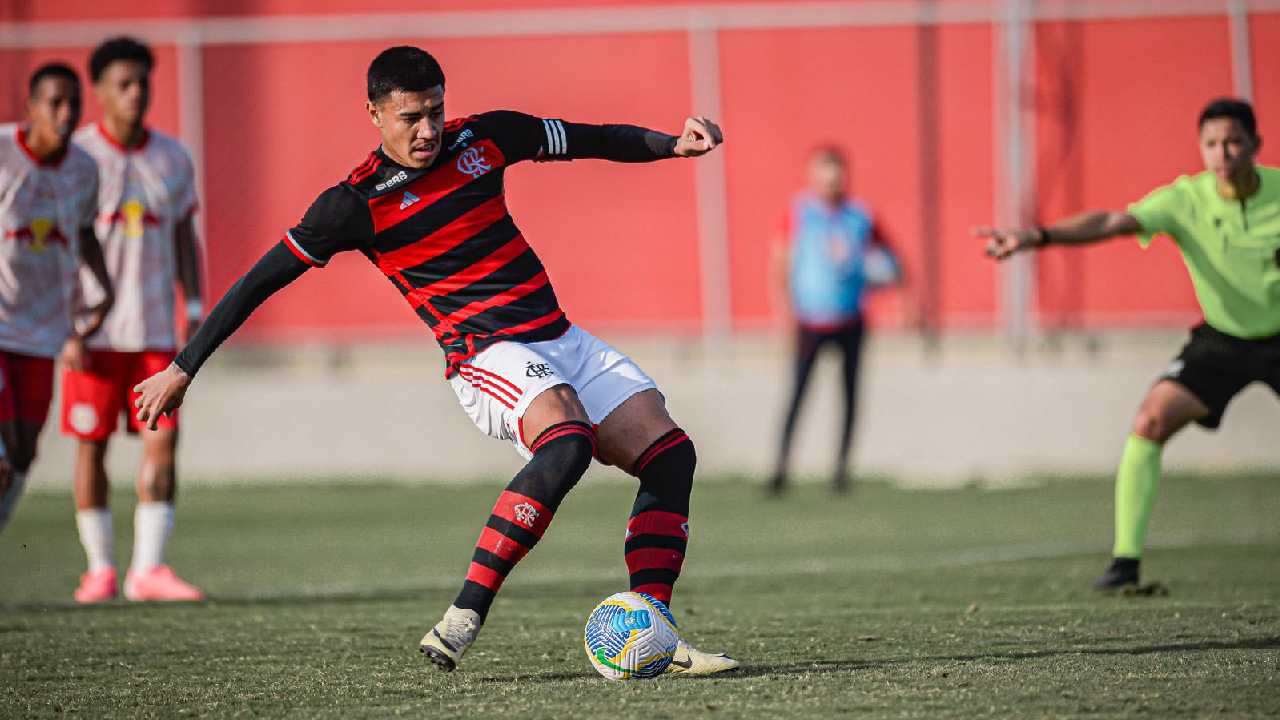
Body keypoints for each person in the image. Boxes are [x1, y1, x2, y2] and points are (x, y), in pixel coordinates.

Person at [133, 46, 738, 674]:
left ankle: (652, 628)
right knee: (567, 442)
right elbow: (259, 281)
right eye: (410, 118)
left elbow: (591, 138)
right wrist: (183, 367)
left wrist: (672, 143)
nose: (427, 130)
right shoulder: (352, 204)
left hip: (559, 337)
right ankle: (464, 615)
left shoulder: (487, 137)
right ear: (373, 113)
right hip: (484, 352)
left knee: (671, 454)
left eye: (435, 112)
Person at [976, 97, 1279, 590]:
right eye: (1211, 144)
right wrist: (1037, 236)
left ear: (1255, 146)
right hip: (1223, 341)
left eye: (1233, 142)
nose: (1222, 153)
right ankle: (1125, 564)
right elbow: (1111, 223)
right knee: (1150, 420)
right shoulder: (1184, 200)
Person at [62, 37, 206, 604]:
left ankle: (148, 569)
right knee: (91, 444)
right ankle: (98, 568)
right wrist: (63, 327)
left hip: (153, 332)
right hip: (92, 335)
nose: (135, 94)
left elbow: (183, 235)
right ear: (97, 91)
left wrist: (193, 306)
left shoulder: (171, 157)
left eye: (142, 82)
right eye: (123, 83)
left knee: (163, 441)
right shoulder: (77, 158)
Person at [0, 63, 113, 533]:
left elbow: (84, 231)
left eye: (73, 103)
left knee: (25, 452)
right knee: (2, 458)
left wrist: (103, 286)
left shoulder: (84, 168)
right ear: (31, 109)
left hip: (42, 329)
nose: (65, 114)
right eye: (54, 103)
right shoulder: (3, 154)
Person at [769, 146, 902, 495]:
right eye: (824, 175)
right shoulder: (799, 213)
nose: (831, 182)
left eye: (837, 175)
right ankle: (780, 470)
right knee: (797, 396)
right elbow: (781, 262)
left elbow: (889, 262)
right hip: (810, 321)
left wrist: (878, 277)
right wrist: (784, 313)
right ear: (812, 177)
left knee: (849, 397)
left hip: (850, 320)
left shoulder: (860, 216)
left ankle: (841, 472)